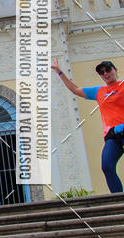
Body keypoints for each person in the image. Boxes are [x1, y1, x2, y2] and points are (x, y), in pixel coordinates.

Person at [52, 57, 124, 193]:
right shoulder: (99, 91)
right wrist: (59, 72)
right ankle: (119, 199)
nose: (105, 74)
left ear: (115, 70)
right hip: (112, 135)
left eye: (108, 70)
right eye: (102, 72)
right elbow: (75, 89)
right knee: (107, 166)